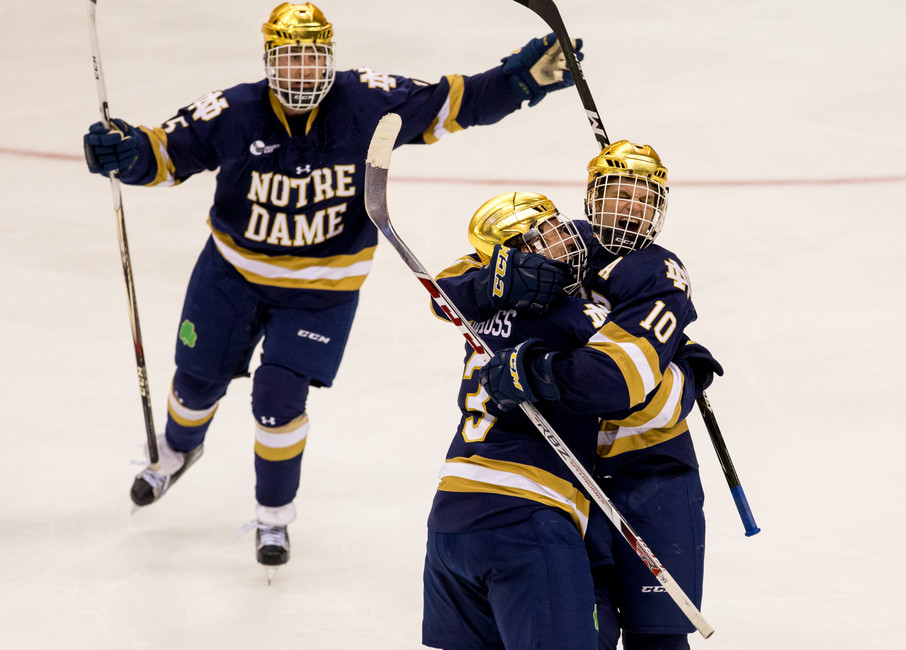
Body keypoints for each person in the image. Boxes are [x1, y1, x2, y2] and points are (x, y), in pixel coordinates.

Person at [81, 1, 584, 571]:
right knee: (196, 383)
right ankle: (177, 450)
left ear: (330, 58)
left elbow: (452, 103)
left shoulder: (368, 102)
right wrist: (125, 151)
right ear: (269, 62)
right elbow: (164, 152)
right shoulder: (236, 110)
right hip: (231, 277)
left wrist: (518, 80)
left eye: (312, 58)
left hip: (321, 291)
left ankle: (273, 515)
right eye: (289, 60)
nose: (301, 72)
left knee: (278, 400)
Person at [475, 141, 723, 650]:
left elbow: (620, 386)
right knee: (586, 633)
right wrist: (492, 282)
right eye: (620, 194)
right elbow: (452, 281)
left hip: (652, 473)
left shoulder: (657, 271)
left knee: (659, 639)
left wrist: (539, 373)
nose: (632, 209)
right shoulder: (562, 240)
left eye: (645, 200)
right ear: (592, 197)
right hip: (568, 479)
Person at [421, 191, 603, 649]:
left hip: (450, 521)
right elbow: (633, 376)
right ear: (519, 253)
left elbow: (444, 289)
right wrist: (681, 359)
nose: (567, 238)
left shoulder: (475, 315)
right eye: (550, 233)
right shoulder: (572, 316)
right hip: (528, 516)